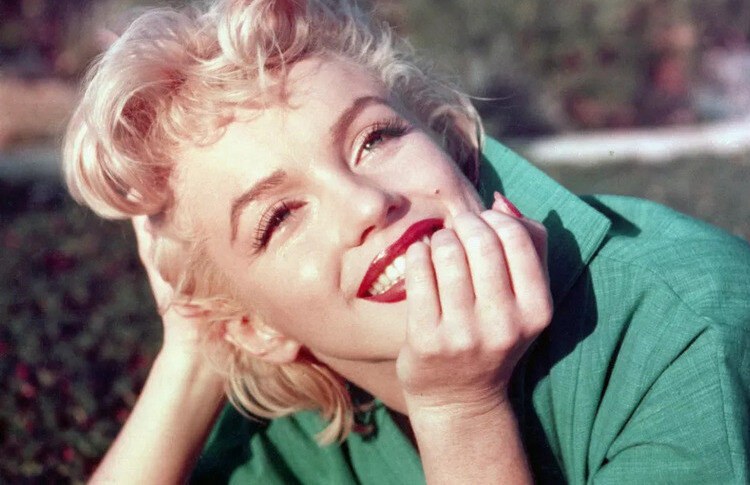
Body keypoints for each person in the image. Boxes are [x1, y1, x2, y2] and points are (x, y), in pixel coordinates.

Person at [62, 0, 750, 483]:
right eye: (280, 217)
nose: (367, 202)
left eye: (375, 138)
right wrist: (192, 354)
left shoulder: (684, 333)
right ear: (254, 328)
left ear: (447, 141)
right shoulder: (289, 421)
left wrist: (462, 409)